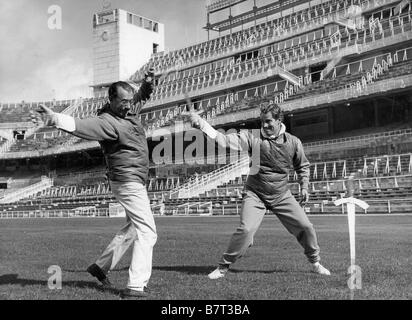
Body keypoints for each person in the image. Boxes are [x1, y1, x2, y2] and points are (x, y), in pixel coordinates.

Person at [33, 70, 157, 298]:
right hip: (128, 181)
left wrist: (148, 84)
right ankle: (136, 286)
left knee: (132, 228)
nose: (128, 106)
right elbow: (81, 125)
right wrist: (55, 119)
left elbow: (141, 97)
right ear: (111, 100)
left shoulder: (128, 110)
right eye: (123, 102)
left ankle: (100, 266)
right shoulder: (107, 122)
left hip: (134, 179)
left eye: (130, 101)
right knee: (148, 232)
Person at [183, 102, 331, 279]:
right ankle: (223, 267)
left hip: (281, 194)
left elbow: (303, 166)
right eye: (262, 122)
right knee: (245, 230)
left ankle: (315, 262)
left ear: (278, 120)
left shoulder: (293, 142)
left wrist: (304, 186)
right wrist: (201, 123)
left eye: (268, 121)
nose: (265, 126)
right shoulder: (252, 137)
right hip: (255, 193)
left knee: (306, 226)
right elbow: (223, 140)